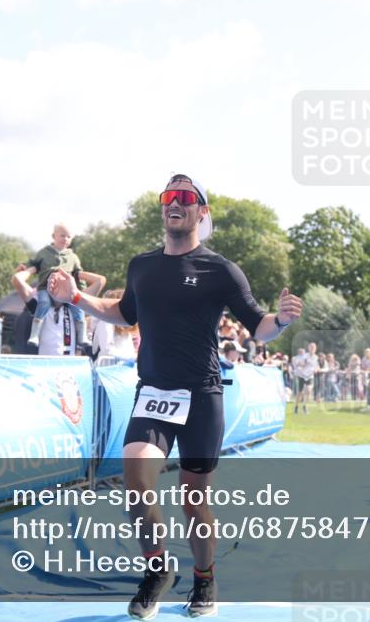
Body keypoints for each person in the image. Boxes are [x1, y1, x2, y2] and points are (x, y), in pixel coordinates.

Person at [46, 174, 302, 618]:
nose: (174, 203)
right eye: (168, 197)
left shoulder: (221, 270)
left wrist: (279, 322)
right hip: (154, 392)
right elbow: (121, 312)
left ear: (202, 213)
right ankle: (157, 570)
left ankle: (205, 580)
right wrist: (77, 298)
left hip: (202, 394)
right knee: (136, 479)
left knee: (193, 496)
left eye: (186, 197)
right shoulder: (142, 265)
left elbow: (258, 324)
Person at [12, 266, 105, 356]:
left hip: (68, 365)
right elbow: (17, 279)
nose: (58, 285)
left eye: (62, 281)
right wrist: (35, 268)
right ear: (46, 285)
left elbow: (100, 281)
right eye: (52, 281)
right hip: (45, 365)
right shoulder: (39, 304)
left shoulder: (75, 304)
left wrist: (75, 273)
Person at [24, 223, 90, 348]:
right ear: (54, 236)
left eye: (69, 237)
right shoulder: (44, 253)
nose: (65, 239)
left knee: (78, 306)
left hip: (65, 290)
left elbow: (78, 274)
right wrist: (24, 267)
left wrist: (82, 289)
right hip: (45, 287)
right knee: (44, 303)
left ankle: (82, 336)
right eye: (62, 235)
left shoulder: (73, 257)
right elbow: (33, 263)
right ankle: (34, 335)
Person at [91, 288, 139, 362]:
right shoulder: (105, 322)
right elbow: (107, 350)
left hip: (122, 368)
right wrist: (133, 357)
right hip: (106, 368)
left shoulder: (124, 325)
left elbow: (128, 348)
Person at [292, 342, 318, 413]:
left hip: (310, 376)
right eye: (311, 347)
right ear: (308, 348)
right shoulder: (305, 356)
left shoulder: (316, 357)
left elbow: (316, 366)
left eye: (314, 347)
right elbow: (300, 364)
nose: (312, 349)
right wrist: (304, 364)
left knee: (309, 390)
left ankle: (305, 406)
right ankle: (296, 406)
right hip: (303, 375)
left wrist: (316, 369)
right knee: (300, 392)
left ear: (315, 349)